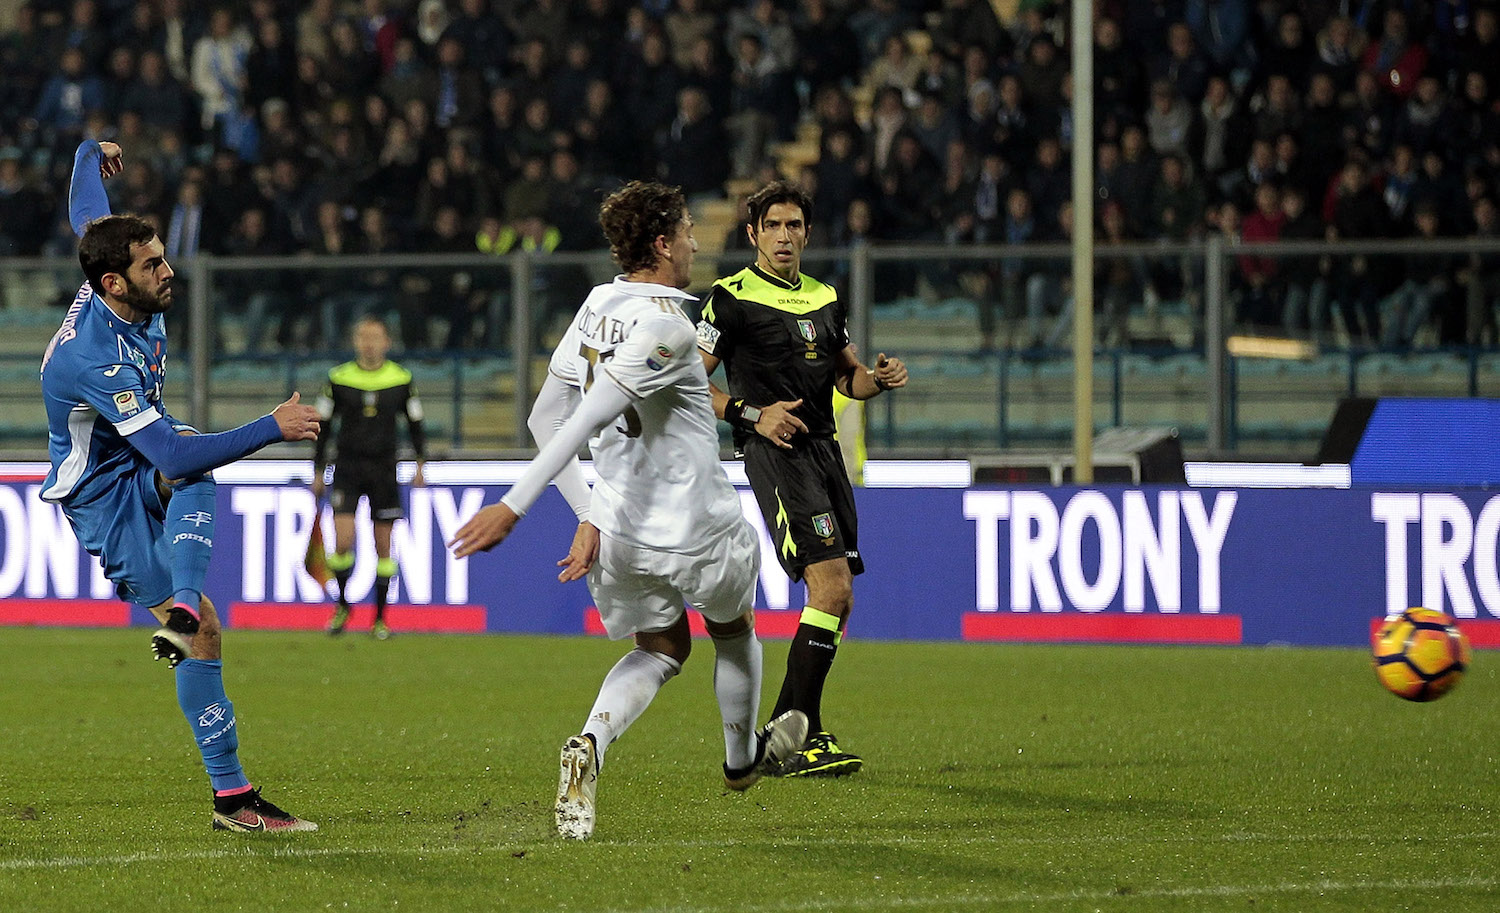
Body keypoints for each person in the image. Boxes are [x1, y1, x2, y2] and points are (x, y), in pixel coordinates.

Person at [449, 181, 807, 841]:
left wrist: (588, 510)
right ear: (664, 243)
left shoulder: (595, 308)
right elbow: (587, 412)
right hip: (697, 527)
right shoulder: (668, 327)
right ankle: (740, 761)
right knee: (733, 630)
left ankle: (590, 742)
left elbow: (542, 414)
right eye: (690, 232)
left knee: (663, 646)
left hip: (619, 533)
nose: (699, 243)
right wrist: (512, 506)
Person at [40, 140, 323, 833]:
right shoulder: (93, 357)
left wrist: (86, 152)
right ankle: (233, 799)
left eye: (164, 255)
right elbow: (164, 448)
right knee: (188, 461)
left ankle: (185, 607)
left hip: (137, 456)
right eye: (153, 264)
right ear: (112, 283)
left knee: (191, 460)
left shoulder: (108, 271)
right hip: (102, 498)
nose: (169, 270)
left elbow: (87, 213)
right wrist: (271, 425)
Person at [696, 181, 908, 778]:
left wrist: (879, 378)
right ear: (753, 234)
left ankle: (792, 734)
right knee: (832, 589)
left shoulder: (824, 297)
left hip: (824, 454)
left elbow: (848, 380)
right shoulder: (729, 297)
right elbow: (689, 380)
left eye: (794, 226)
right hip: (776, 453)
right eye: (774, 226)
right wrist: (751, 414)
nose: (785, 236)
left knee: (837, 600)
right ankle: (800, 734)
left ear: (807, 234)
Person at [312, 316, 428, 640]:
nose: (369, 343)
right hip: (347, 466)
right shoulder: (338, 378)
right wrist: (318, 470)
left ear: (386, 342)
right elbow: (323, 425)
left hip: (384, 469)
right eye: (364, 337)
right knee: (343, 541)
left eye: (375, 337)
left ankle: (380, 619)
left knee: (384, 546)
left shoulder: (401, 379)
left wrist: (420, 462)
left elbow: (415, 422)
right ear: (355, 342)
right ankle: (343, 604)